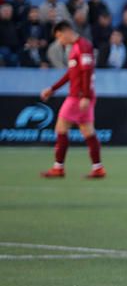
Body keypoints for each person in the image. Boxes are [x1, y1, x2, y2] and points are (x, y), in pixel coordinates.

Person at [39, 21, 105, 179]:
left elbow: (87, 72)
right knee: (88, 131)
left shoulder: (83, 46)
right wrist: (53, 89)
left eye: (60, 37)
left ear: (67, 31)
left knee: (61, 128)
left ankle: (58, 168)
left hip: (78, 96)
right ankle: (98, 168)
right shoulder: (76, 47)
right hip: (82, 95)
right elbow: (71, 73)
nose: (60, 41)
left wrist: (85, 96)